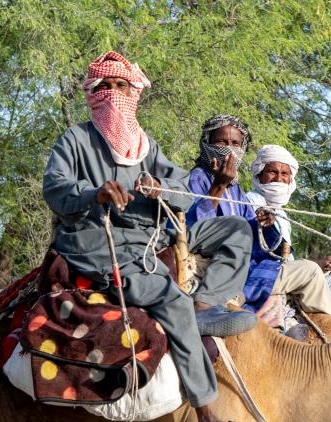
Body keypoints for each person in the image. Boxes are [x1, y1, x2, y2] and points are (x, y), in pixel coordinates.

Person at [42, 52, 255, 421]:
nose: (112, 94)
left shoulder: (145, 145)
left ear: (133, 91)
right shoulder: (75, 139)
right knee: (170, 300)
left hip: (158, 232)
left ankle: (202, 308)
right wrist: (95, 194)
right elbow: (55, 189)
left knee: (236, 229)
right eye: (104, 86)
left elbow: (185, 191)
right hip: (102, 241)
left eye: (120, 86)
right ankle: (205, 405)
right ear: (92, 92)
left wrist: (160, 186)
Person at [186, 114, 331, 323]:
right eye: (222, 142)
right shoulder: (197, 178)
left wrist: (262, 225)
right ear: (207, 143)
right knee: (312, 271)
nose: (229, 149)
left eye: (235, 143)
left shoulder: (237, 190)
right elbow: (196, 230)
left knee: (311, 269)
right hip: (217, 265)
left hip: (248, 265)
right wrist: (219, 186)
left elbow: (256, 241)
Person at [247, 144, 331, 323]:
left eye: (284, 174)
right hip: (264, 276)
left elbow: (290, 264)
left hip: (291, 277)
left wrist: (321, 264)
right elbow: (254, 229)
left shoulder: (281, 213)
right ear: (259, 174)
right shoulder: (250, 201)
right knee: (312, 272)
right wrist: (261, 219)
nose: (279, 179)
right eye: (272, 172)